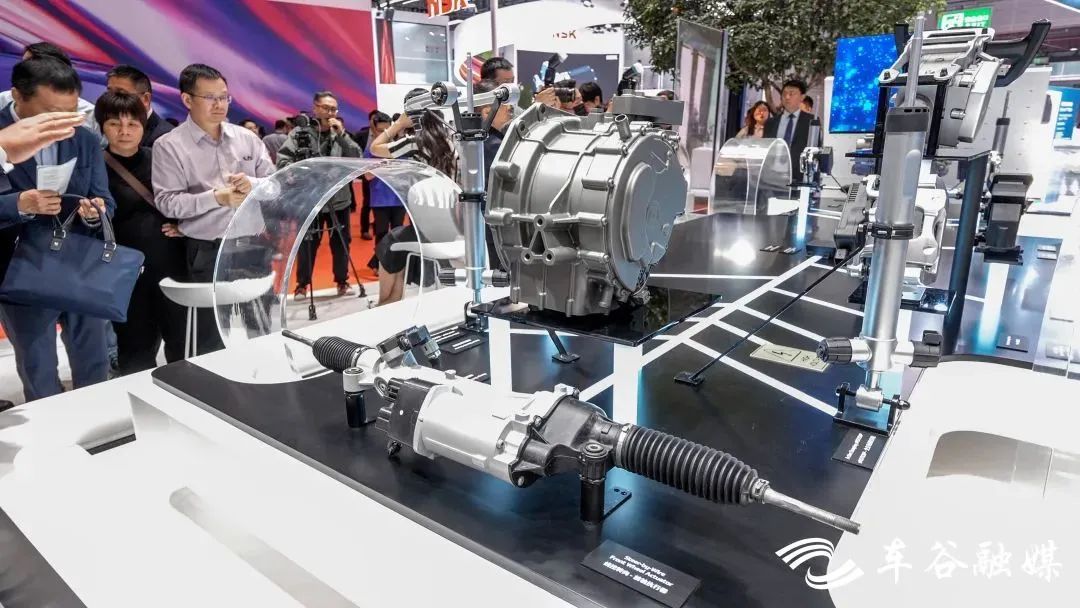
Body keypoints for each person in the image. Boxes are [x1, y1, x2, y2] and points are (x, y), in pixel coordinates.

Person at [0, 58, 115, 402]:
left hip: (80, 260)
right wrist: (20, 203)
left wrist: (94, 212)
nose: (62, 122)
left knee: (93, 358)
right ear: (18, 96)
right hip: (21, 266)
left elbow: (105, 199)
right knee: (38, 365)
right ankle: (49, 428)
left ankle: (95, 421)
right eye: (51, 113)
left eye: (71, 112)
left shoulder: (84, 138)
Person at [151, 63, 273, 354]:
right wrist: (216, 198)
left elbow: (275, 185)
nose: (219, 105)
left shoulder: (247, 139)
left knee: (261, 326)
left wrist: (253, 185)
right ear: (187, 99)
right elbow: (168, 202)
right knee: (211, 333)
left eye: (224, 97)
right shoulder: (169, 146)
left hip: (252, 243)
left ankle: (263, 376)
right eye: (210, 98)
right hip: (208, 249)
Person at [94, 91, 186, 374]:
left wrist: (185, 226)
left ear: (143, 126)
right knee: (135, 351)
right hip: (125, 274)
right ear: (102, 126)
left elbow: (185, 199)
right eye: (114, 124)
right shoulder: (94, 166)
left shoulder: (161, 158)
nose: (124, 131)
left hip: (171, 267)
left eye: (132, 124)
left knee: (182, 344)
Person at [369, 90, 459, 306]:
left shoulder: (414, 143)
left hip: (426, 229)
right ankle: (393, 300)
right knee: (397, 239)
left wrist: (398, 124)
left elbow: (375, 148)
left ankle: (387, 302)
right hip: (454, 225)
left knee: (389, 243)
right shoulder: (452, 139)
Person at [276, 91, 365, 299]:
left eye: (334, 109)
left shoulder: (340, 134)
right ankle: (302, 284)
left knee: (341, 243)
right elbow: (283, 161)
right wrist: (297, 176)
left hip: (338, 199)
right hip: (310, 199)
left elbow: (357, 158)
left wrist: (342, 135)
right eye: (326, 108)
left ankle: (342, 281)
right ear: (315, 108)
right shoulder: (299, 133)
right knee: (307, 244)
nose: (330, 113)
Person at [0, 42, 98, 135]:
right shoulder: (3, 99)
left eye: (72, 112)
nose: (63, 120)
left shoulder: (88, 120)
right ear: (17, 96)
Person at [105, 64, 173, 147]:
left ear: (145, 99)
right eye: (109, 93)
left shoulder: (165, 139)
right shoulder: (108, 129)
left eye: (121, 94)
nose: (111, 99)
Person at [764, 79, 816, 182]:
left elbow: (815, 152)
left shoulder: (811, 122)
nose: (787, 97)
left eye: (791, 94)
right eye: (784, 94)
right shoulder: (771, 122)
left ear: (802, 97)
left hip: (799, 178)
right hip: (772, 177)